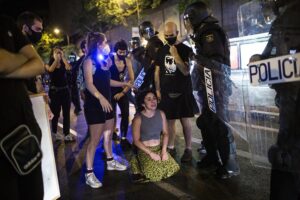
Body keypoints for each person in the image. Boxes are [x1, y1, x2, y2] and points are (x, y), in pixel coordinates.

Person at [252, 0, 300, 199]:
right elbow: (273, 60)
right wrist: (259, 62)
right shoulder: (283, 20)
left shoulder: (290, 18)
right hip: (289, 105)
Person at [183, 1, 234, 179]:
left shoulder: (209, 33)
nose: (188, 23)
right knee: (206, 122)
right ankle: (212, 158)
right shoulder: (202, 32)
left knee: (218, 125)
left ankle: (226, 166)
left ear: (197, 16)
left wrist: (194, 57)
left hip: (216, 86)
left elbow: (214, 62)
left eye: (189, 19)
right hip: (208, 86)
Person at [0, 14, 44, 200]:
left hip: (25, 134)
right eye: (37, 30)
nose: (39, 34)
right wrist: (22, 58)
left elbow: (38, 64)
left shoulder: (5, 21)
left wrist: (6, 71)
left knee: (34, 193)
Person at [83, 32, 130, 188]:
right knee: (94, 140)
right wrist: (101, 98)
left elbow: (107, 81)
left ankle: (110, 161)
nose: (107, 45)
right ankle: (89, 173)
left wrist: (124, 84)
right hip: (95, 105)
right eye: (105, 42)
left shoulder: (104, 61)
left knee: (109, 135)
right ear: (98, 45)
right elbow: (89, 84)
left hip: (107, 104)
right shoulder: (89, 62)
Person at [154, 22, 198, 162]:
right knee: (169, 122)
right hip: (167, 92)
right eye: (166, 36)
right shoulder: (161, 50)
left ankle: (188, 149)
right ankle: (171, 148)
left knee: (185, 121)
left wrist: (175, 54)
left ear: (177, 32)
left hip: (183, 92)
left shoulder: (185, 49)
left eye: (171, 35)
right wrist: (157, 90)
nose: (168, 38)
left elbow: (185, 71)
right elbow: (157, 71)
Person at [130, 90, 180, 182]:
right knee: (154, 174)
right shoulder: (138, 118)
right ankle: (137, 163)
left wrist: (164, 151)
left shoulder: (161, 114)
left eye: (154, 98)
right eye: (149, 99)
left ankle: (142, 168)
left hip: (159, 148)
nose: (153, 101)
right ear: (143, 103)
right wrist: (151, 153)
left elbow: (165, 133)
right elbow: (136, 141)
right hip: (145, 150)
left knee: (174, 168)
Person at [17, 11, 54, 120]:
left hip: (34, 106)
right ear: (25, 28)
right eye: (37, 29)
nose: (40, 33)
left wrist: (45, 104)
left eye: (41, 30)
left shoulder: (30, 50)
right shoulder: (13, 51)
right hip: (22, 111)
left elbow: (36, 80)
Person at [110, 39, 134, 148]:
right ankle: (112, 133)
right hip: (110, 90)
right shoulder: (109, 60)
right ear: (116, 51)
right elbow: (106, 79)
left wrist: (123, 93)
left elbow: (131, 79)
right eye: (120, 52)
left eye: (124, 52)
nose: (122, 54)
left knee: (125, 114)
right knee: (112, 114)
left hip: (122, 91)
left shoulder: (127, 61)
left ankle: (124, 138)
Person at [46, 47, 74, 141]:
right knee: (55, 113)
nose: (58, 54)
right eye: (56, 52)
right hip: (54, 92)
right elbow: (50, 70)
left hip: (65, 91)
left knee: (66, 114)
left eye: (60, 52)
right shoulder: (48, 63)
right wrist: (56, 60)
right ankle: (54, 132)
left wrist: (62, 58)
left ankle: (66, 134)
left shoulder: (63, 62)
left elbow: (68, 68)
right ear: (52, 54)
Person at [138, 21, 164, 90]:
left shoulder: (153, 43)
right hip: (155, 79)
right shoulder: (154, 42)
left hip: (156, 80)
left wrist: (143, 84)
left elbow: (155, 64)